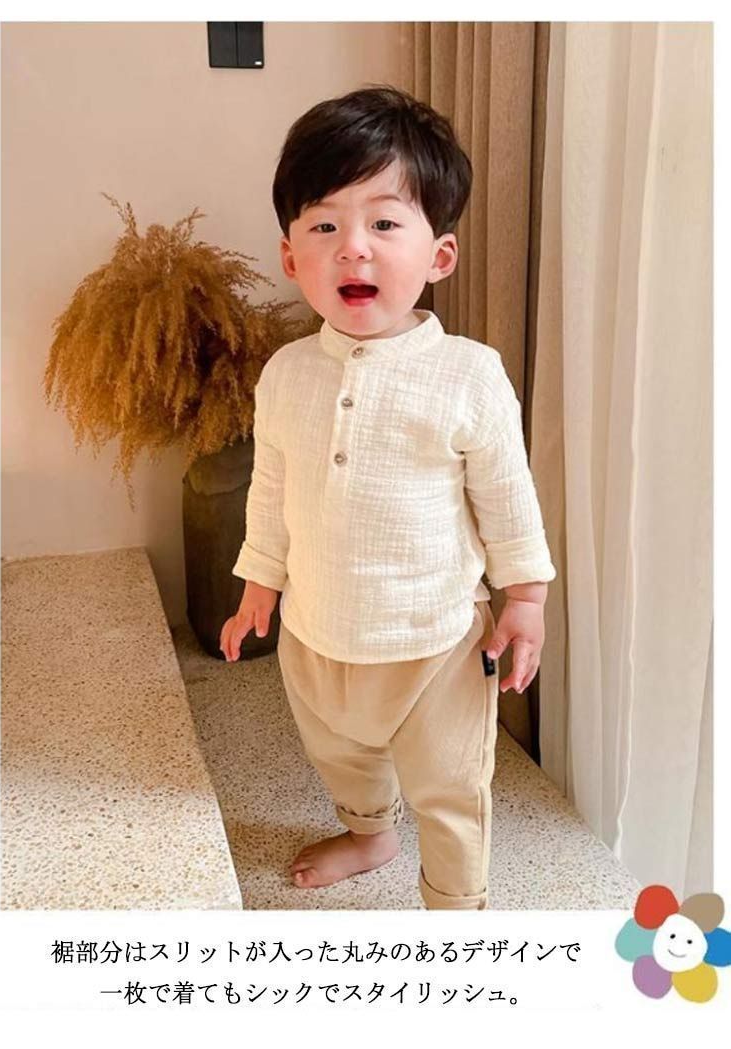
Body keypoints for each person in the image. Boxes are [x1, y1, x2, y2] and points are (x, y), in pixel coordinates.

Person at [219, 84, 556, 910]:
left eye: (383, 223)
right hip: (316, 633)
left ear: (439, 256)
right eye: (324, 226)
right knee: (340, 754)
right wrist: (260, 580)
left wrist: (526, 597)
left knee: (450, 787)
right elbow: (273, 485)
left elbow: (507, 496)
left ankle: (456, 909)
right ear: (291, 257)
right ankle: (370, 832)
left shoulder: (468, 374)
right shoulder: (286, 373)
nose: (353, 249)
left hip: (435, 643)